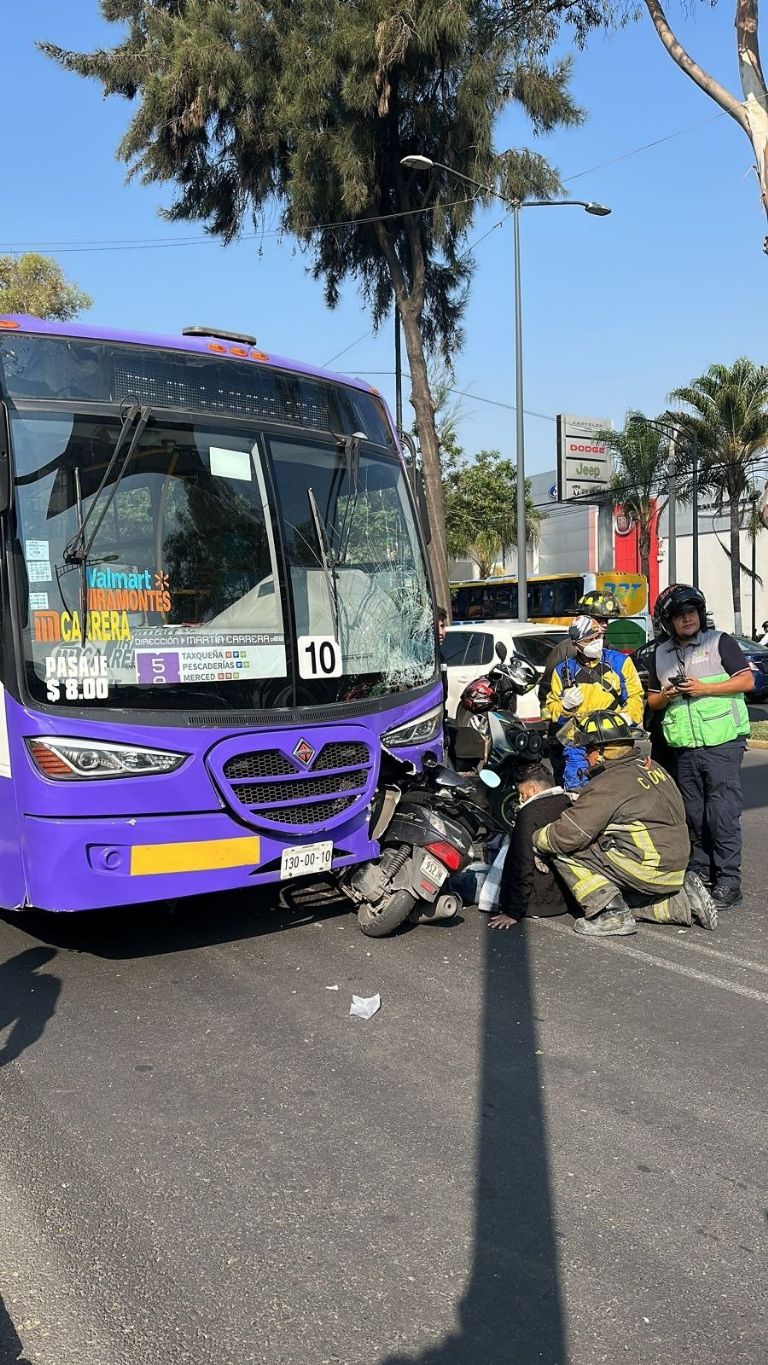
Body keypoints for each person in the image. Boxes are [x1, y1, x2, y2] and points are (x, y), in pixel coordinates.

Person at [533, 710, 718, 937]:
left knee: (565, 849)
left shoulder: (608, 783)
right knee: (618, 889)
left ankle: (611, 914)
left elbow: (570, 834)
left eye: (588, 749)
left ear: (602, 751)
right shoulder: (651, 767)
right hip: (674, 866)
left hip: (647, 868)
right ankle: (681, 904)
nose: (586, 756)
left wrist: (537, 839)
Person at [646, 584, 752, 910]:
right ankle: (700, 872)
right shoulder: (660, 654)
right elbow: (652, 701)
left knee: (721, 813)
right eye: (680, 615)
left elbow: (746, 680)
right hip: (684, 746)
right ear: (669, 622)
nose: (687, 618)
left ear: (700, 614)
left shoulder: (720, 642)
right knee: (693, 814)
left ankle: (729, 881)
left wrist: (704, 688)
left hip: (722, 742)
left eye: (691, 612)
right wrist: (667, 694)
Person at [546, 615, 644, 791]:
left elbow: (635, 696)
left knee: (618, 787)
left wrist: (628, 718)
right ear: (575, 644)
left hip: (613, 739)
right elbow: (553, 710)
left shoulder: (620, 662)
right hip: (578, 741)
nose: (595, 642)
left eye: (597, 637)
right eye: (589, 640)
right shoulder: (562, 672)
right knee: (578, 790)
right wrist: (565, 706)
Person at [539, 589, 626, 784]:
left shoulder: (611, 652)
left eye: (606, 621)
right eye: (599, 619)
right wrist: (557, 723)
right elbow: (546, 693)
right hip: (569, 735)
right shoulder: (564, 651)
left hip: (604, 738)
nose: (604, 625)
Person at [487, 762, 574, 928]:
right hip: (565, 898)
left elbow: (522, 862)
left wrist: (513, 911)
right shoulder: (567, 803)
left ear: (533, 789)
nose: (521, 798)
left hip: (537, 901)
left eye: (522, 793)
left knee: (466, 881)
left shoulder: (529, 813)